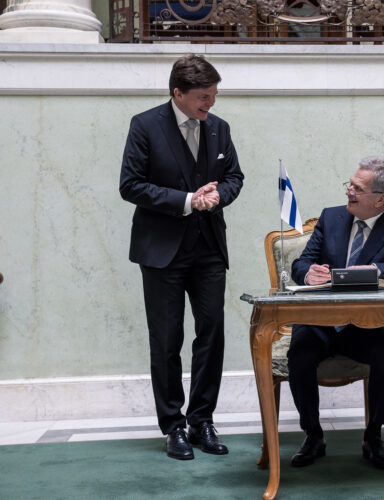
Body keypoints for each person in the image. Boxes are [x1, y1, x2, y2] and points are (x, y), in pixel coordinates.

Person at [119, 55, 244, 459]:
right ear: (178, 93)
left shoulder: (219, 128)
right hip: (161, 253)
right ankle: (172, 426)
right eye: (204, 96)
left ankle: (202, 420)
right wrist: (188, 200)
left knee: (212, 334)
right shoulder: (144, 125)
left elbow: (234, 178)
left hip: (208, 249)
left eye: (214, 95)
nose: (211, 103)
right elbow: (131, 185)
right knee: (167, 340)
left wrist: (218, 196)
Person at [287, 156, 384, 469]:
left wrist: (376, 269)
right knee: (299, 352)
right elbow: (300, 263)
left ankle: (373, 437)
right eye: (350, 184)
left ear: (380, 199)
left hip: (366, 327)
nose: (348, 192)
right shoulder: (331, 218)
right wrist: (307, 272)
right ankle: (313, 435)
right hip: (319, 323)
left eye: (357, 188)